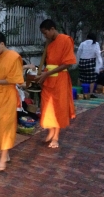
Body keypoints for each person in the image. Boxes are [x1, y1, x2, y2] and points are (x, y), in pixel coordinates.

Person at [0, 32, 24, 171]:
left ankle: (3, 159)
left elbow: (15, 80)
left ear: (2, 44)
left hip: (8, 97)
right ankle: (4, 155)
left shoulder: (14, 57)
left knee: (6, 127)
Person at [36, 19, 76, 148]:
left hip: (60, 79)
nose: (45, 36)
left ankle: (56, 137)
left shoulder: (66, 40)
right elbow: (49, 62)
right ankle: (50, 132)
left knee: (58, 107)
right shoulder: (49, 43)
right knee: (47, 107)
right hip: (48, 80)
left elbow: (68, 63)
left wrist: (47, 73)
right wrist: (43, 73)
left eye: (45, 33)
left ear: (52, 29)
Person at [77, 33, 103, 98]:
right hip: (91, 62)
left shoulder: (82, 43)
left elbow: (78, 52)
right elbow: (97, 53)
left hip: (82, 61)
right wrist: (100, 63)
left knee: (81, 77)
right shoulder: (96, 44)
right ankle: (90, 93)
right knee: (92, 79)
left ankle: (79, 92)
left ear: (87, 37)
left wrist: (78, 62)